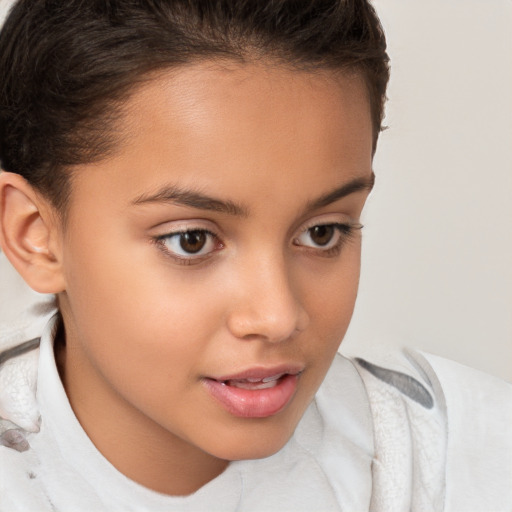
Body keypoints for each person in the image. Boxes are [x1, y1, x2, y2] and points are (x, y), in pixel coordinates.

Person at [0, 1, 510, 510]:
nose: (278, 317)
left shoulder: (464, 460)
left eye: (322, 232)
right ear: (35, 236)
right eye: (191, 240)